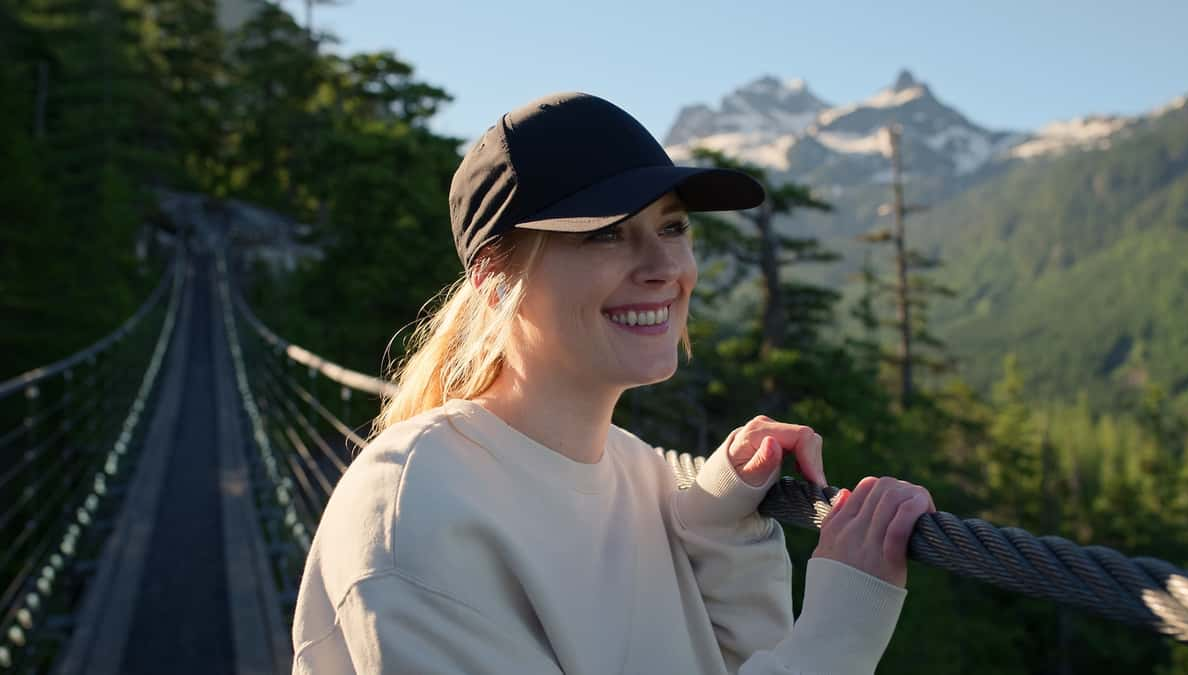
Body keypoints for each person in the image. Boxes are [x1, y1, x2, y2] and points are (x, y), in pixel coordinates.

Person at [290, 91, 935, 675]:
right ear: (493, 277)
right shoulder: (415, 515)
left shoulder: (642, 475)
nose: (662, 267)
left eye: (672, 227)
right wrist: (836, 638)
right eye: (605, 234)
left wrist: (719, 530)